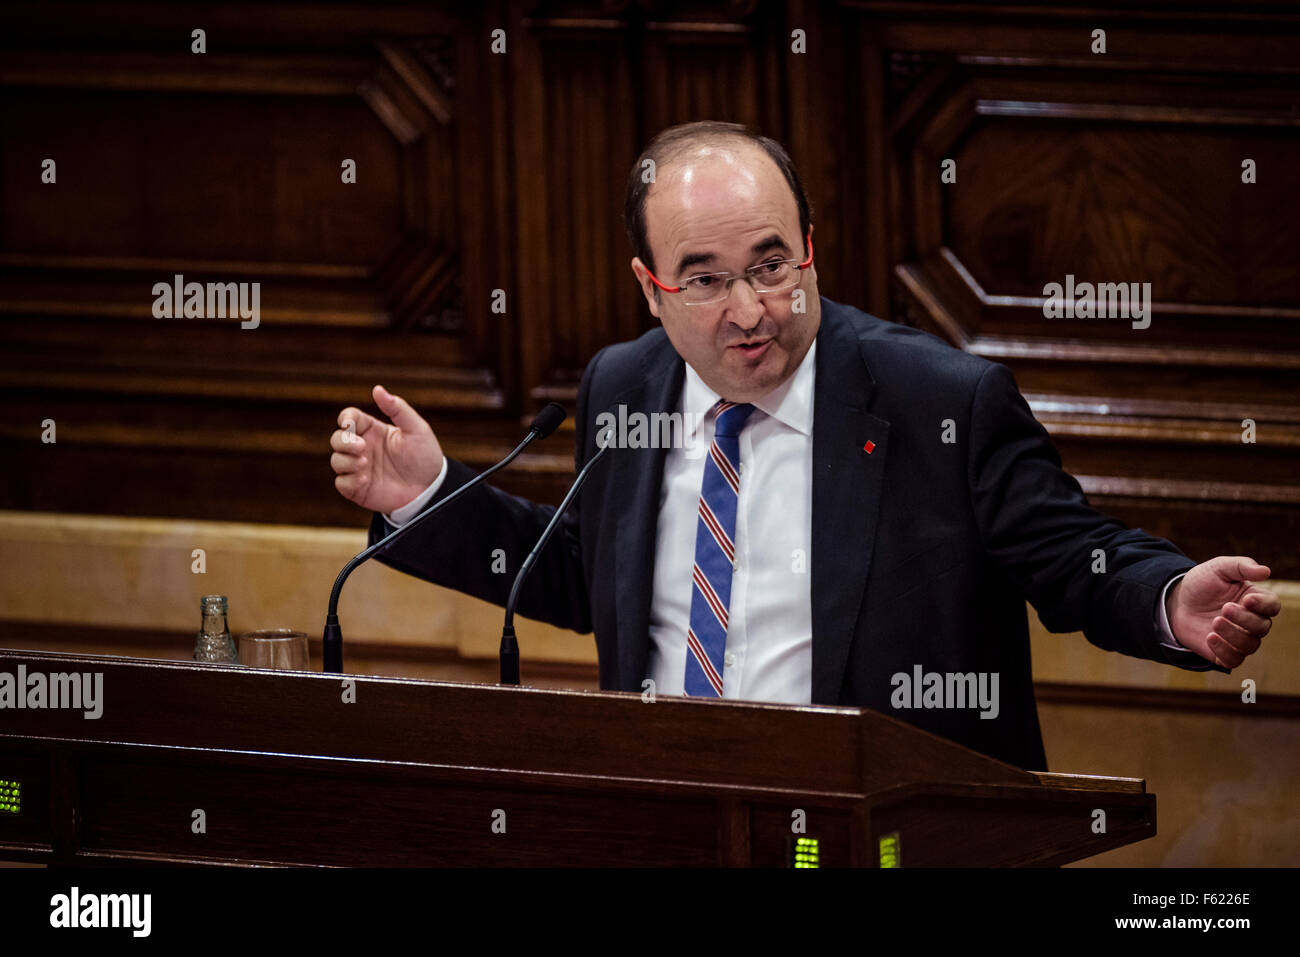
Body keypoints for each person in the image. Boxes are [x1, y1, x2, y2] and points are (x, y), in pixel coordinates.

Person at [328, 121, 1279, 771]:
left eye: (772, 265)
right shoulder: (625, 384)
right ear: (649, 287)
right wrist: (429, 495)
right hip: (676, 823)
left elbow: (1071, 558)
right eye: (703, 280)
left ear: (810, 247)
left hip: (883, 835)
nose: (751, 313)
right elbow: (587, 577)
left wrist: (1163, 595)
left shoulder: (937, 400)